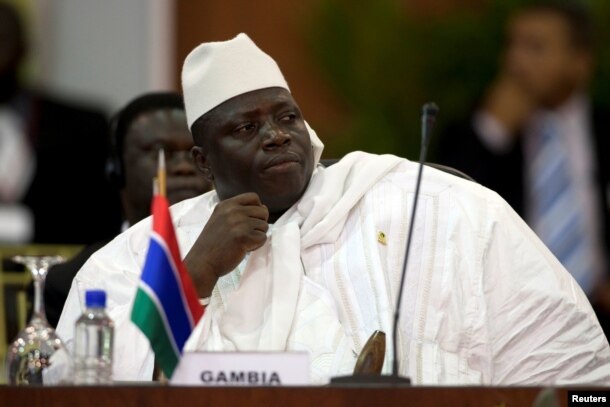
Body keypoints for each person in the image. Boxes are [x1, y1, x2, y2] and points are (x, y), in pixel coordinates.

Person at [57, 33, 610, 385]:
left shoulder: (428, 205)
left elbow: (577, 373)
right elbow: (77, 389)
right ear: (203, 163)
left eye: (287, 118)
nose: (276, 136)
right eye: (247, 128)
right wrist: (193, 273)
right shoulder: (136, 258)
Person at [436, 1, 610, 334]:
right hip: (511, 323)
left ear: (580, 62)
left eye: (536, 47)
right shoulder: (474, 130)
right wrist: (493, 130)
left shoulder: (603, 130)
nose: (515, 62)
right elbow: (446, 211)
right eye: (512, 45)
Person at [42, 92, 213, 328]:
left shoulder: (246, 261)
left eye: (194, 153)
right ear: (116, 168)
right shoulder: (70, 279)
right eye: (160, 151)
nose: (184, 167)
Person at [0, 3, 121, 244]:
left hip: (58, 273)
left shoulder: (84, 127)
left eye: (1, 39)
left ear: (24, 48)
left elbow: (100, 218)